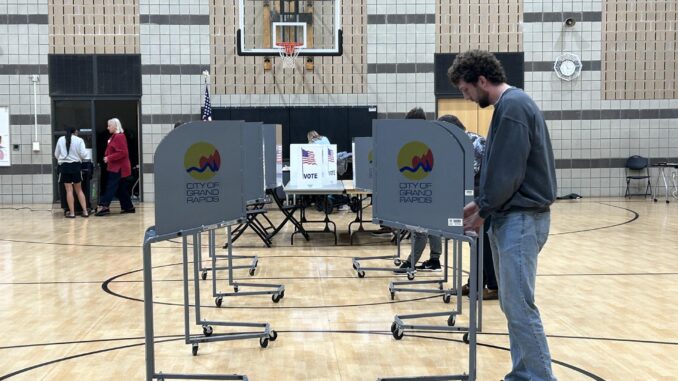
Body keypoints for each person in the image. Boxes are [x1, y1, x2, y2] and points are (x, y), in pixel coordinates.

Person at [449, 50, 557, 380]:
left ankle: (538, 377)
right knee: (512, 305)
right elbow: (501, 168)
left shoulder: (513, 107)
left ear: (482, 80)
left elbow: (508, 171)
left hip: (521, 219)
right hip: (512, 217)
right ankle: (524, 374)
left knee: (519, 306)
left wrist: (483, 207)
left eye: (466, 90)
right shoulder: (509, 107)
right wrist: (483, 204)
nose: (466, 97)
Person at [437, 114, 498, 300]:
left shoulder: (473, 142)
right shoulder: (464, 142)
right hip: (478, 199)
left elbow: (467, 174)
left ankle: (494, 287)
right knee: (478, 243)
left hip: (485, 200)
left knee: (485, 244)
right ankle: (475, 284)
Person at [393, 107, 442, 274]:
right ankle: (435, 259)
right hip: (434, 189)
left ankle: (411, 263)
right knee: (433, 226)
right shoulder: (434, 138)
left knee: (420, 229)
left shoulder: (418, 141)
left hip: (422, 188)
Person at [95, 118, 135, 216]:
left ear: (115, 126)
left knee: (111, 186)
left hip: (118, 168)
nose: (107, 128)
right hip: (116, 167)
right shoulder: (115, 136)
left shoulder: (119, 137)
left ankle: (104, 206)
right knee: (120, 188)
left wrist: (109, 158)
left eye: (109, 126)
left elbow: (123, 152)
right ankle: (128, 207)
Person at [54, 128, 90, 218]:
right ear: (75, 132)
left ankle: (72, 213)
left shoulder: (60, 139)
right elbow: (84, 154)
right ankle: (85, 212)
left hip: (64, 167)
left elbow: (56, 154)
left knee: (69, 190)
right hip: (76, 166)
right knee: (79, 190)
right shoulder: (79, 140)